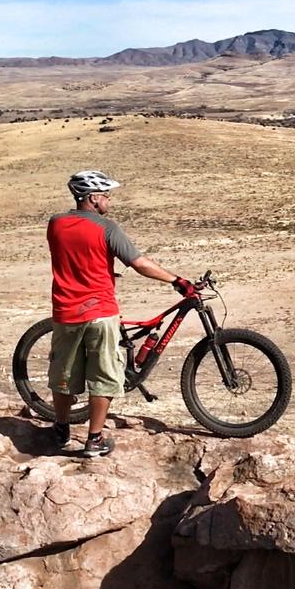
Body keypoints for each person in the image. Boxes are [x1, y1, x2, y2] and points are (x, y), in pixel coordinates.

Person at [47, 170, 194, 457]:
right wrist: (177, 280)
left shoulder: (55, 224)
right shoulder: (107, 228)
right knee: (104, 375)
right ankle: (94, 439)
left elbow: (73, 256)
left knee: (63, 374)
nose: (109, 201)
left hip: (65, 311)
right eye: (105, 195)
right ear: (92, 198)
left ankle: (61, 429)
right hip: (100, 312)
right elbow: (139, 263)